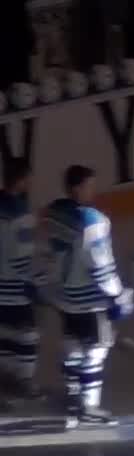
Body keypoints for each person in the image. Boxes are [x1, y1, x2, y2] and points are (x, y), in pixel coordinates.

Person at [43, 165, 133, 429]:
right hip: (90, 300)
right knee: (96, 351)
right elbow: (101, 265)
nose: (93, 191)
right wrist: (118, 295)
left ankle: (72, 401)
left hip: (64, 295)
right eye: (90, 186)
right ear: (78, 187)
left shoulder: (54, 213)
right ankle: (89, 406)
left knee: (72, 346)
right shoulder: (94, 221)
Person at [0, 160, 42, 406]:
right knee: (27, 335)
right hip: (15, 288)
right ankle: (24, 382)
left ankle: (4, 382)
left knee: (3, 335)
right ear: (22, 180)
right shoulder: (22, 214)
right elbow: (22, 256)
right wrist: (34, 281)